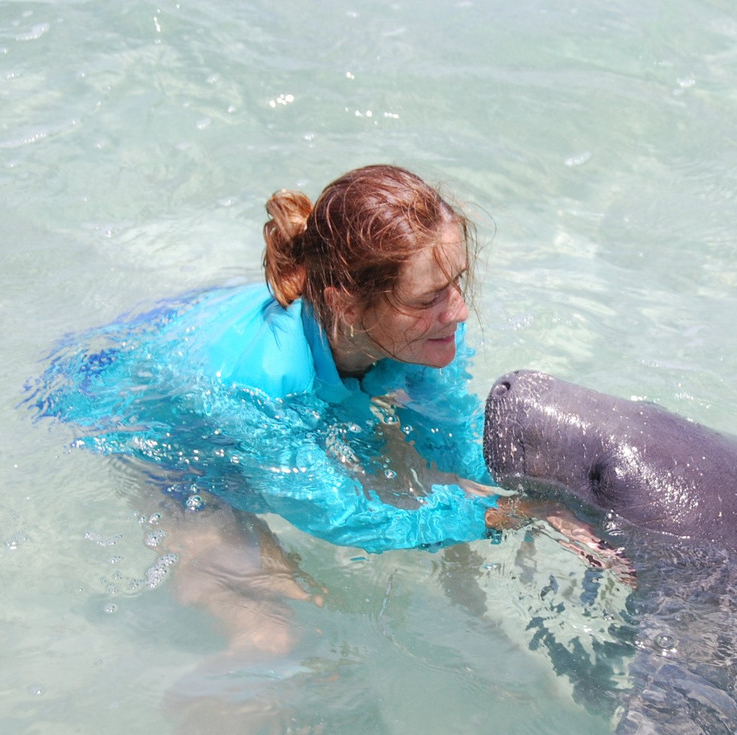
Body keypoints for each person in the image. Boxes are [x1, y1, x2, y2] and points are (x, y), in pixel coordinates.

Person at [30, 164, 499, 558]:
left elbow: (452, 433)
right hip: (140, 419)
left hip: (213, 328)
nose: (459, 311)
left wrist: (537, 479)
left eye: (455, 282)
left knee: (443, 481)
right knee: (268, 614)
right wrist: (500, 518)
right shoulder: (263, 392)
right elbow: (345, 519)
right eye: (428, 298)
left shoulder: (421, 327)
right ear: (348, 306)